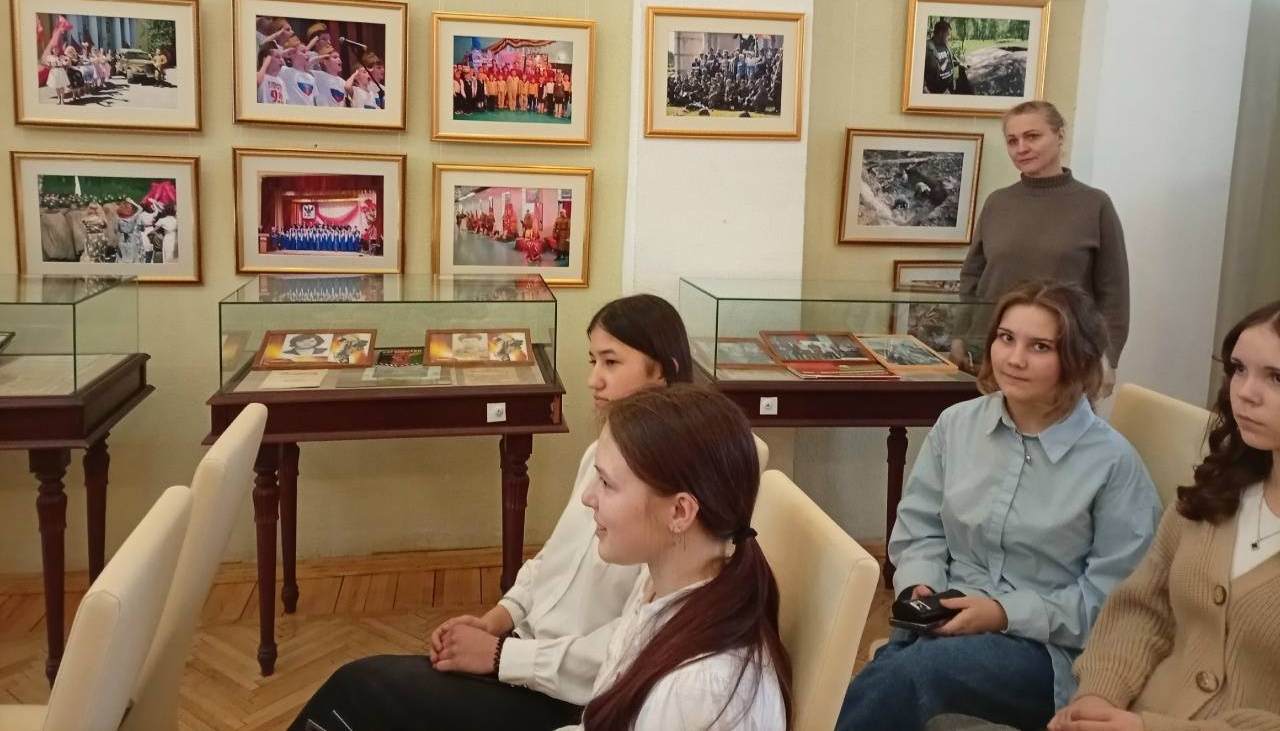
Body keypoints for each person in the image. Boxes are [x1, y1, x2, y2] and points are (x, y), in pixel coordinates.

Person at [286, 294, 699, 731]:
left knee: (359, 689)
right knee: (358, 694)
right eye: (592, 360)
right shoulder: (600, 455)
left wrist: (501, 656)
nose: (593, 379)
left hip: (564, 695)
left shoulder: (670, 503)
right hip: (521, 657)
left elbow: (628, 650)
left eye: (611, 363)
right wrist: (495, 621)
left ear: (663, 371)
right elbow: (552, 562)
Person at [837, 281, 1162, 731]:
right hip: (946, 618)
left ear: (1078, 359)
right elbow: (921, 530)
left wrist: (1003, 613)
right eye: (1006, 338)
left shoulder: (1113, 464)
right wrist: (921, 586)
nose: (1014, 358)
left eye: (1040, 346)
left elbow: (1117, 602)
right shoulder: (956, 425)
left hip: (1045, 648)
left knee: (906, 675)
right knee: (897, 671)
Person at [1048, 301, 1280, 731]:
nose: (1245, 392)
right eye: (1239, 369)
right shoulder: (1213, 492)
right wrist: (1099, 695)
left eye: (1276, 377)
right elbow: (1144, 609)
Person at [556, 384, 791, 731]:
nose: (588, 497)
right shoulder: (661, 584)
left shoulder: (697, 690)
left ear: (680, 511)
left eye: (606, 483)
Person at [952, 101, 1131, 393]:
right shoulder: (997, 202)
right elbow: (972, 277)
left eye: (1032, 136)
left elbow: (1114, 294)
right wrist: (960, 335)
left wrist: (1107, 356)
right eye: (1012, 141)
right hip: (993, 352)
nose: (1021, 148)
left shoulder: (1095, 204)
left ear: (1059, 136)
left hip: (1064, 356)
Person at [923, 19, 958, 94]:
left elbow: (951, 60)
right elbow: (918, 74)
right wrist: (928, 94)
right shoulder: (926, 48)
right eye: (948, 34)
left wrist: (959, 63)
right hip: (936, 93)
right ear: (940, 33)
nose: (949, 37)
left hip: (950, 89)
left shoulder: (946, 45)